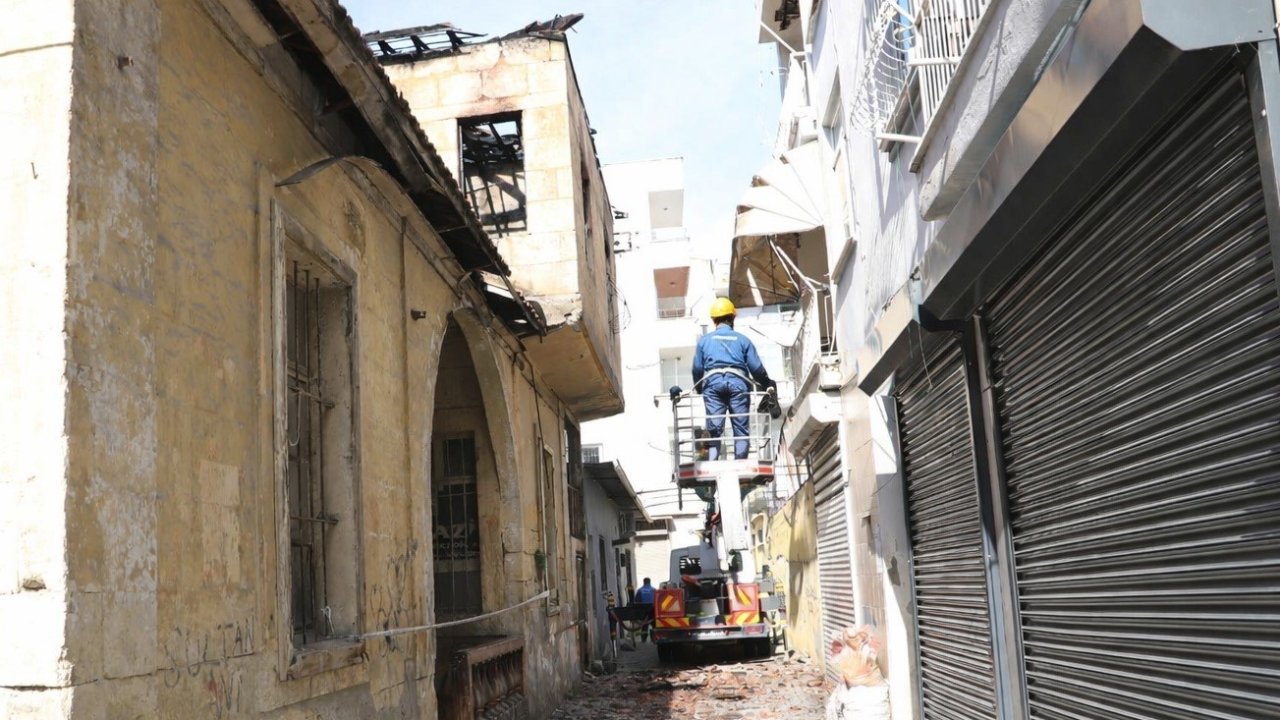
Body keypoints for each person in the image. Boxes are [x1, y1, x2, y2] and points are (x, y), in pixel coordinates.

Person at [692, 298, 776, 460]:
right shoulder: (743, 340)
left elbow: (697, 369)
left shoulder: (704, 341)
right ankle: (740, 463)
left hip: (712, 385)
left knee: (713, 429)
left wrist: (699, 388)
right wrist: (767, 384)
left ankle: (711, 462)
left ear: (714, 320)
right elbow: (756, 369)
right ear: (732, 318)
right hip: (739, 385)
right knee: (741, 430)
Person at [633, 578, 656, 642]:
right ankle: (654, 639)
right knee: (654, 625)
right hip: (652, 611)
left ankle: (643, 640)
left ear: (644, 582)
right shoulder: (654, 590)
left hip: (643, 612)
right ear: (650, 582)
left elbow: (636, 602)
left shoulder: (639, 590)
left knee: (644, 626)